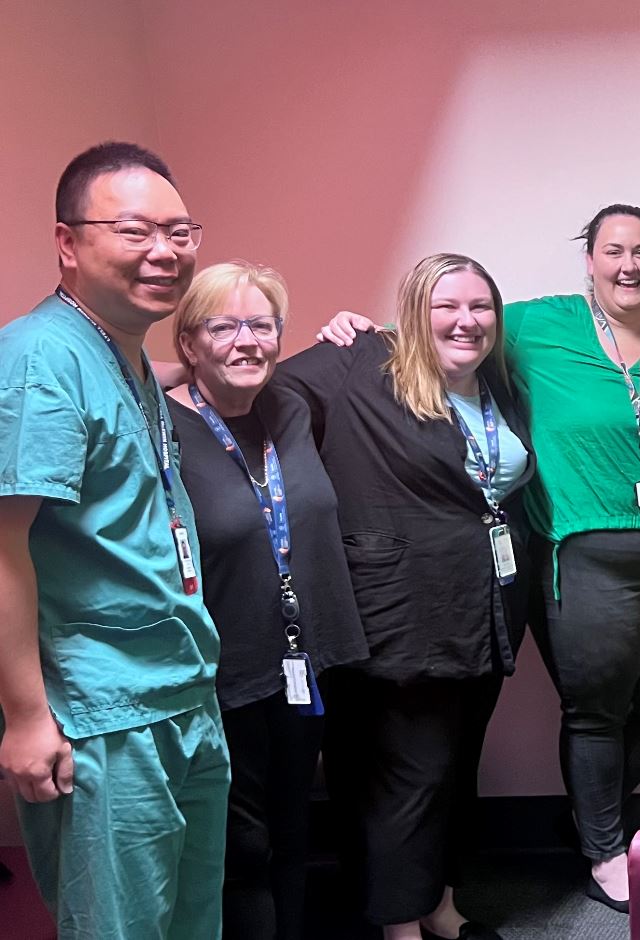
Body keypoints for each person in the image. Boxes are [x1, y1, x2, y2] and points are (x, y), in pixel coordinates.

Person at [319, 204, 640, 913]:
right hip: (581, 555)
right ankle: (604, 847)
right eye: (612, 251)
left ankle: (584, 810)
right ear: (590, 260)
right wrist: (354, 332)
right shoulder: (535, 327)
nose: (628, 265)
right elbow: (446, 335)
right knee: (595, 709)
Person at [0, 141, 228, 938]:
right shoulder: (40, 360)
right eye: (135, 232)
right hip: (102, 713)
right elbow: (2, 547)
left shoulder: (126, 355)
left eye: (180, 231)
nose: (164, 252)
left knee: (192, 919)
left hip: (180, 691)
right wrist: (26, 717)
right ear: (68, 243)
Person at [277, 253, 533, 940]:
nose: (466, 320)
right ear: (412, 312)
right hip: (396, 614)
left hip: (481, 613)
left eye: (480, 307)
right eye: (446, 306)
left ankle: (441, 906)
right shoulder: (361, 362)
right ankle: (398, 926)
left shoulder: (494, 387)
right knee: (403, 777)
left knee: (453, 768)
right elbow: (265, 392)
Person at [167, 261, 368, 940]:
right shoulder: (158, 427)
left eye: (262, 325)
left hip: (304, 661)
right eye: (223, 327)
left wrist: (353, 325)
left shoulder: (289, 402)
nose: (246, 341)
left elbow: (365, 346)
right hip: (224, 669)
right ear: (188, 344)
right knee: (242, 845)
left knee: (293, 829)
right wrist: (162, 374)